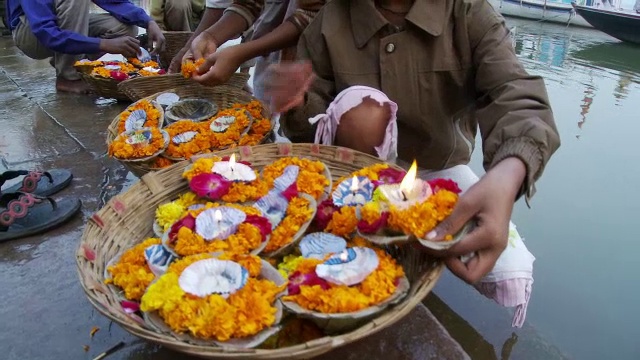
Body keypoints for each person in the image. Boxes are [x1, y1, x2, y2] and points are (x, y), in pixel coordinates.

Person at [267, 0, 561, 286]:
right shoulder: (329, 21)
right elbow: (309, 130)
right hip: (355, 179)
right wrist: (298, 103)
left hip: (437, 173)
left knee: (510, 273)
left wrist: (508, 173)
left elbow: (517, 96)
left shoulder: (468, 13)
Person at [6, 0, 166, 94]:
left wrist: (148, 21)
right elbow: (46, 32)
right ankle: (67, 76)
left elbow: (114, 2)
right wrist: (103, 44)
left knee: (125, 28)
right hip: (30, 34)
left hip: (55, 27)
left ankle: (67, 60)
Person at [177, 0, 325, 99]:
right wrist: (210, 36)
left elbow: (313, 13)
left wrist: (241, 54)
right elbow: (249, 3)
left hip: (327, 46)